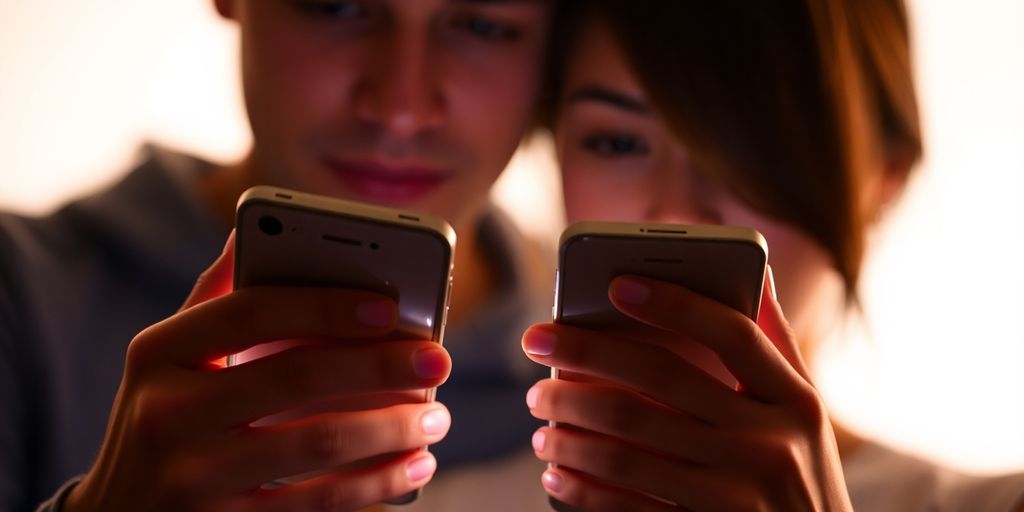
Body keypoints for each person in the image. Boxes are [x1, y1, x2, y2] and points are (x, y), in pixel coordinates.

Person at [0, 1, 563, 510]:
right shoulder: (20, 297)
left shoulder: (595, 380)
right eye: (335, 8)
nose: (400, 110)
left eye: (483, 26)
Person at [522, 0, 1024, 510]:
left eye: (749, 146)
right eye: (618, 143)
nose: (676, 212)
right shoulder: (450, 485)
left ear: (884, 177)